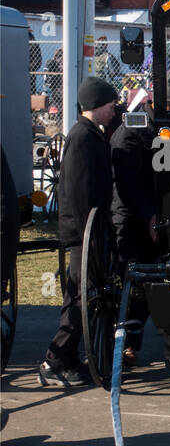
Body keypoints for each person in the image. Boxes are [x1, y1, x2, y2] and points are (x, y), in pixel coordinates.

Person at [40, 76, 118, 386]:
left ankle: (68, 359)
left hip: (87, 232)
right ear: (98, 105)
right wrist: (92, 235)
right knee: (79, 299)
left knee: (82, 297)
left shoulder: (89, 134)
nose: (114, 111)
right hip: (83, 234)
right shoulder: (82, 138)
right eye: (111, 105)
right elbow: (80, 191)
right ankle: (54, 359)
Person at [109, 87, 159, 366]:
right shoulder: (131, 130)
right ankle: (125, 343)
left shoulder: (160, 127)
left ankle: (131, 339)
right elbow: (128, 184)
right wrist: (149, 215)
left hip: (151, 212)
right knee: (134, 278)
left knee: (147, 279)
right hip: (130, 216)